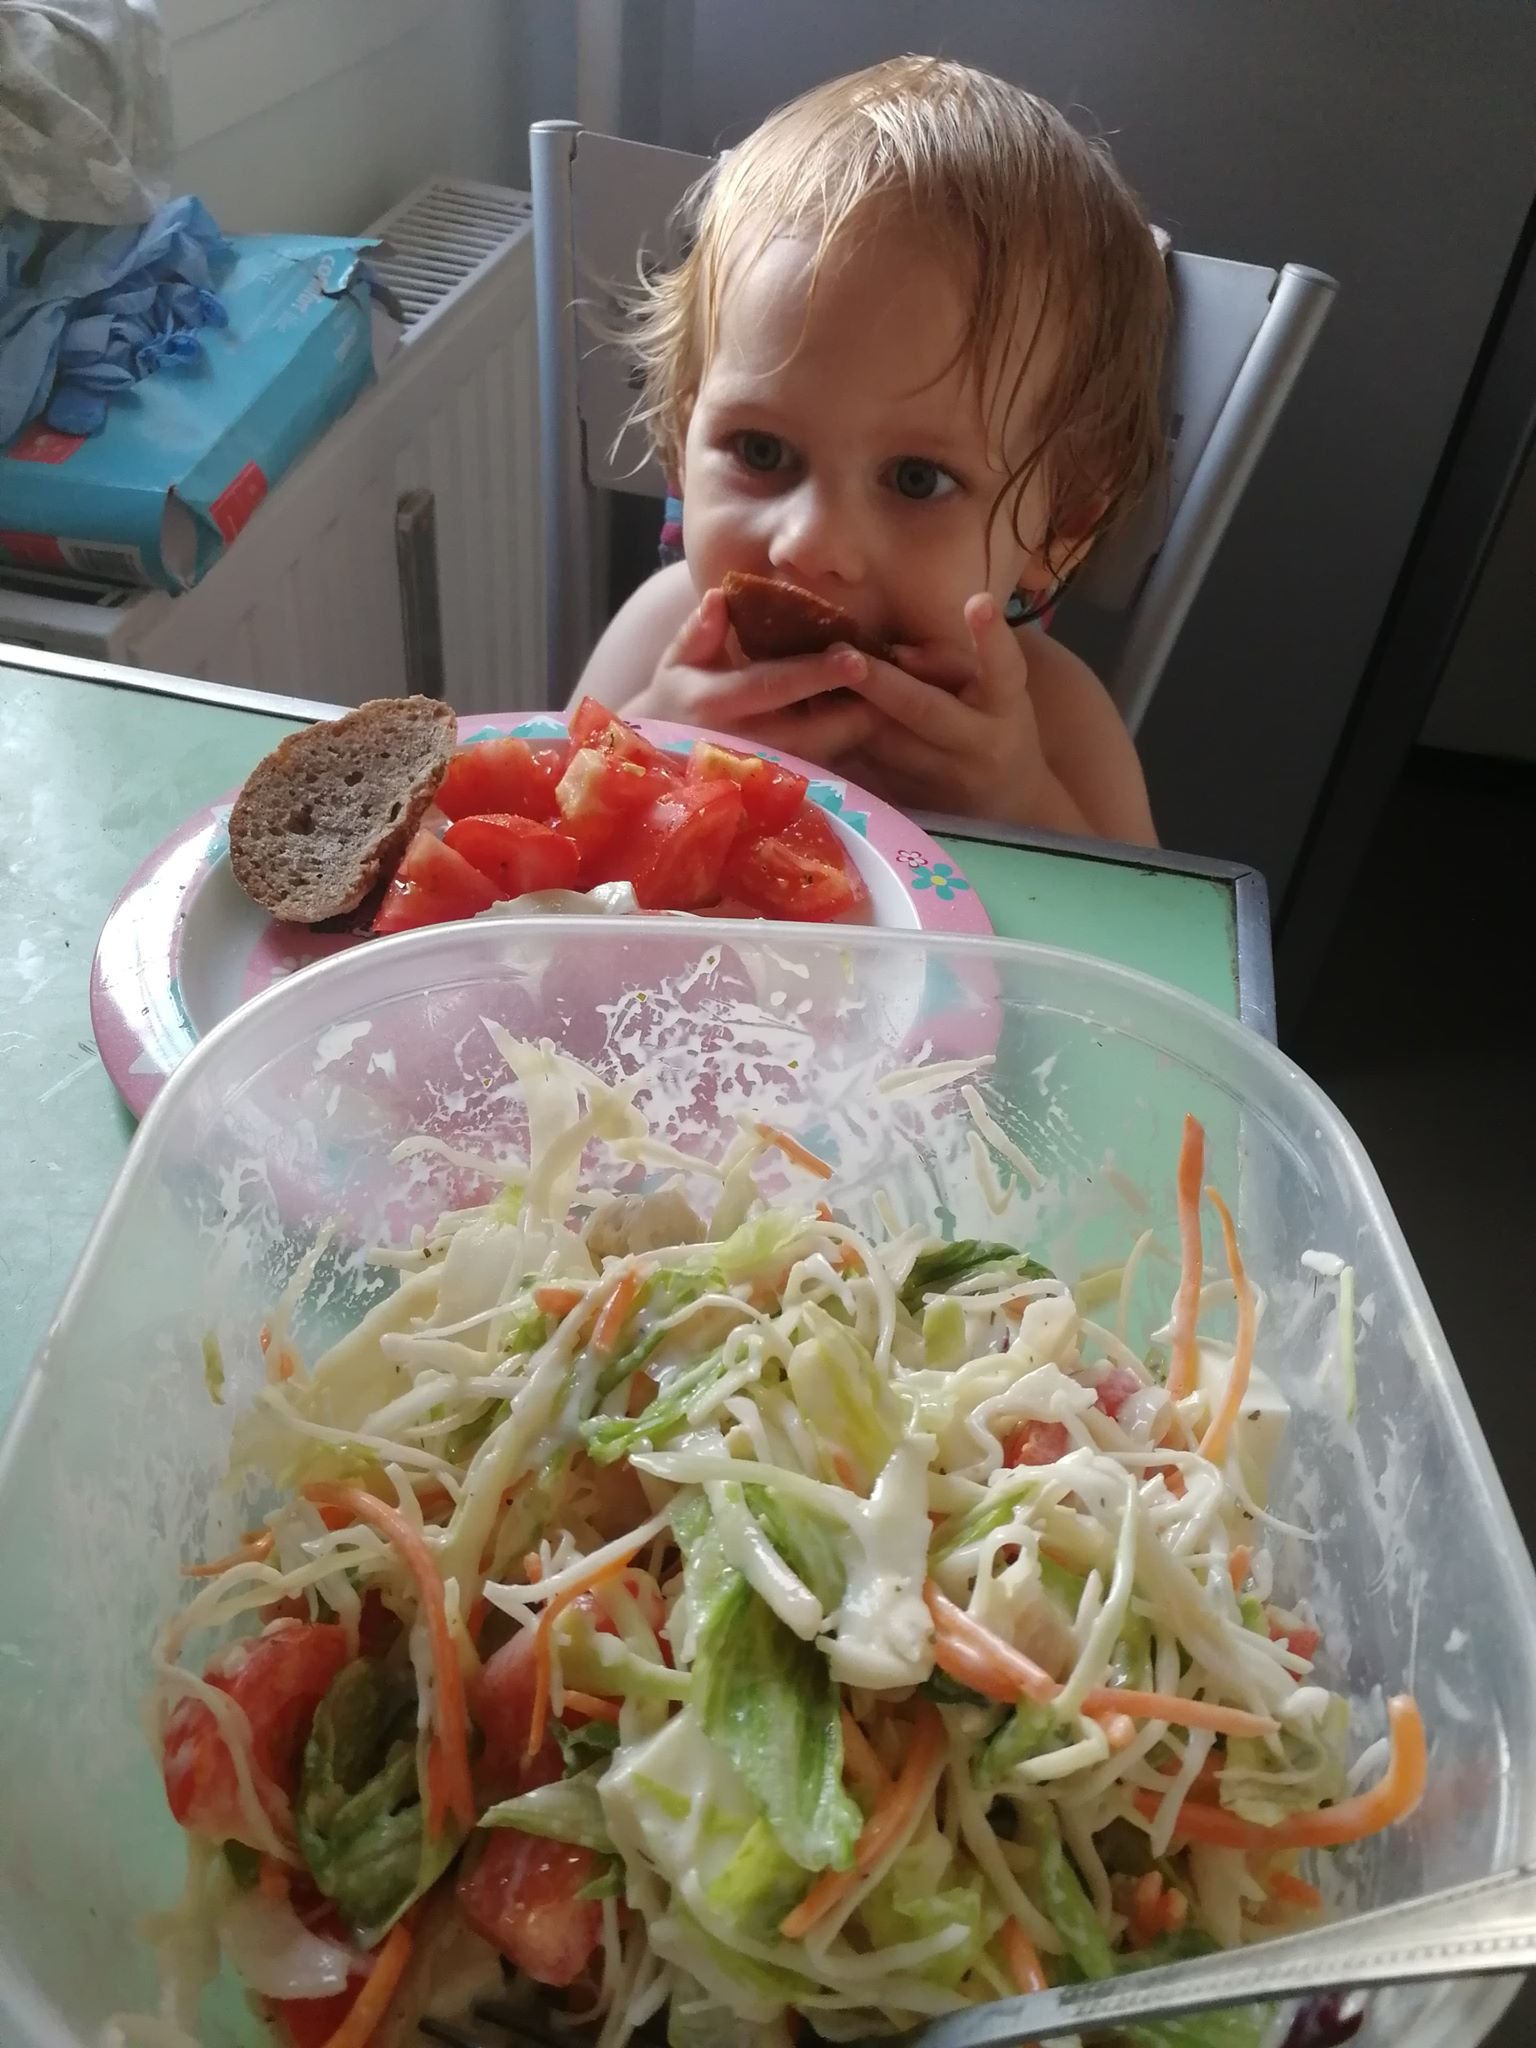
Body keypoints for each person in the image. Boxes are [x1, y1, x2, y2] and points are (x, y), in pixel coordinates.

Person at [572, 56, 1168, 845]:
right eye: (761, 450)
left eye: (917, 480)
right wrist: (652, 753)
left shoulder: (1058, 721)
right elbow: (546, 862)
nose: (812, 545)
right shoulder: (658, 638)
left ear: (1061, 526)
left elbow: (1133, 924)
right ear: (684, 441)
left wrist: (1018, 801)